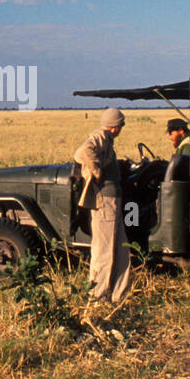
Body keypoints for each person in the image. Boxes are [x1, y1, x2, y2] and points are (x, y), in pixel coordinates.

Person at [74, 108, 132, 304]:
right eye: (121, 125)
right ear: (116, 126)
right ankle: (98, 296)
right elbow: (83, 151)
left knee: (120, 248)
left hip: (112, 200)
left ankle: (118, 294)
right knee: (104, 249)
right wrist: (96, 171)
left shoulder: (107, 139)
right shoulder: (101, 136)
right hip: (105, 201)